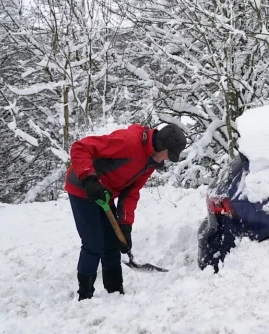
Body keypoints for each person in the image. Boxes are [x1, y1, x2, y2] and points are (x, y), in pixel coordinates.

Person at [64, 123, 187, 300]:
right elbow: (80, 147)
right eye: (167, 155)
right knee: (94, 243)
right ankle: (85, 295)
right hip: (82, 188)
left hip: (104, 195)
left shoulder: (150, 163)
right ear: (161, 146)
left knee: (112, 243)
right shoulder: (128, 142)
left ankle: (115, 291)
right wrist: (89, 178)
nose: (165, 160)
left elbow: (131, 193)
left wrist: (125, 225)